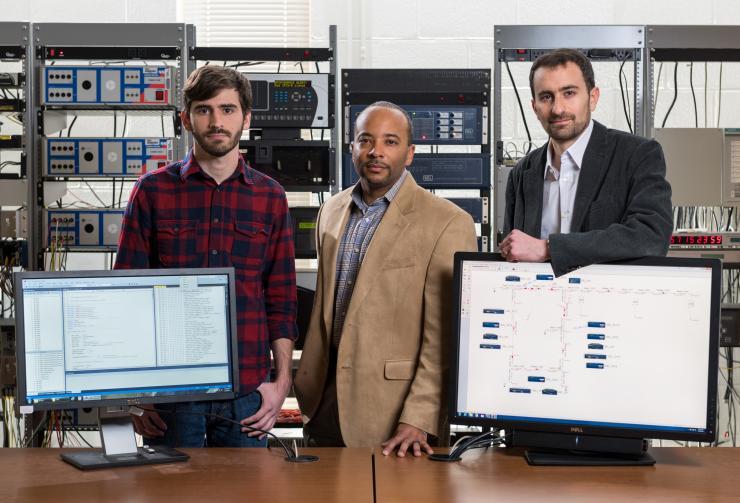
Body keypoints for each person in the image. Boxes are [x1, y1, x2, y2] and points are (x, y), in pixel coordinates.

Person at [114, 65, 297, 447]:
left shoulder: (270, 197)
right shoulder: (151, 192)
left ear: (246, 118)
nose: (217, 121)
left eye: (228, 110)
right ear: (186, 118)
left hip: (247, 394)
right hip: (171, 395)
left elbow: (281, 301)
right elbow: (125, 299)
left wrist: (280, 386)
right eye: (204, 109)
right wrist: (132, 399)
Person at [294, 101, 478, 457]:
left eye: (390, 142)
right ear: (352, 148)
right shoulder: (330, 211)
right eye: (366, 140)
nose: (376, 151)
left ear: (409, 154)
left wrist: (419, 417)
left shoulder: (447, 223)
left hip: (395, 417)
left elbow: (443, 338)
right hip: (323, 403)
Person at [500, 49, 672, 277]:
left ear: (593, 98)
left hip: (611, 306)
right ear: (534, 107)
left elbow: (651, 236)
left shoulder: (636, 155)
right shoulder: (522, 174)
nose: (558, 108)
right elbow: (514, 254)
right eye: (546, 97)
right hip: (539, 306)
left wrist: (548, 248)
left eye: (569, 93)